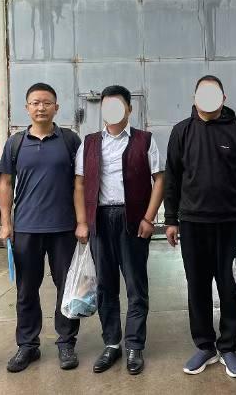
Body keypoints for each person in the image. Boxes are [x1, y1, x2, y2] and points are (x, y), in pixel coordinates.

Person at [164, 75, 236, 379]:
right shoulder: (181, 131)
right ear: (194, 98)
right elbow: (172, 178)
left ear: (223, 97)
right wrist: (171, 219)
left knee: (229, 285)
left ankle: (228, 346)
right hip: (193, 223)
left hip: (230, 223)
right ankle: (205, 346)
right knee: (198, 285)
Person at [73, 85, 164, 375]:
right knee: (105, 286)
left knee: (136, 285)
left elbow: (160, 180)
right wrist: (82, 222)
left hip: (132, 219)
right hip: (100, 219)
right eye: (107, 106)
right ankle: (112, 343)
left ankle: (134, 345)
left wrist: (149, 218)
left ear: (129, 109)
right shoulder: (89, 143)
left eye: (118, 105)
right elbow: (79, 184)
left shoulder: (145, 140)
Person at [0, 83, 82, 372]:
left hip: (64, 228)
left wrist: (82, 222)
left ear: (56, 107)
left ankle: (66, 343)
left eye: (47, 102)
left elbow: (80, 183)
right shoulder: (15, 143)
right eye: (35, 102)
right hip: (26, 228)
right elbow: (5, 183)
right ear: (27, 108)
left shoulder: (70, 140)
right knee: (26, 289)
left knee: (66, 288)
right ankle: (27, 345)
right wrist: (6, 223)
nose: (41, 107)